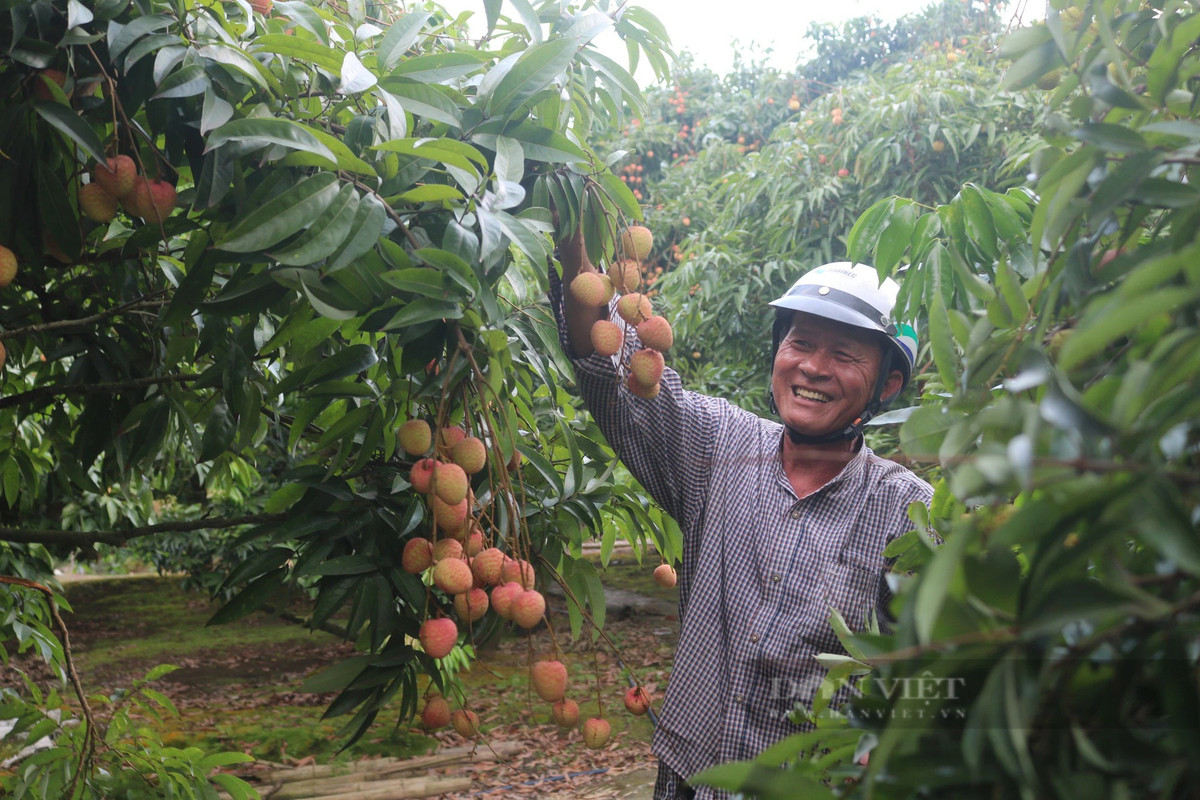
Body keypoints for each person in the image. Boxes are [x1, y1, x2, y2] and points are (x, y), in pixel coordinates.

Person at [549, 230, 934, 800]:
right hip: (689, 777)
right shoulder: (719, 444)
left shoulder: (910, 511)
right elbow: (611, 360)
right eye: (800, 344)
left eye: (846, 355)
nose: (814, 368)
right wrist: (572, 229)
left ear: (889, 384)